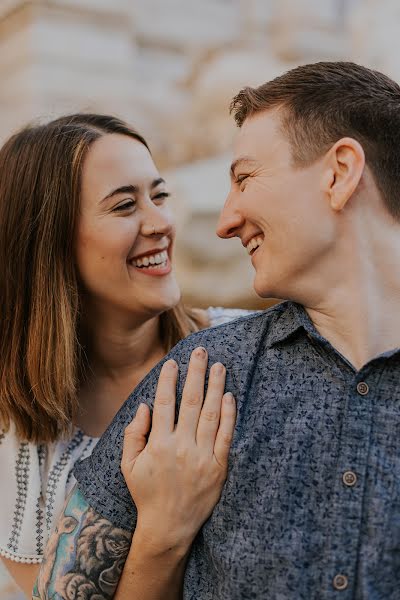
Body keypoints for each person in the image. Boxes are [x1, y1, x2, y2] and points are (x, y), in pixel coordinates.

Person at [35, 60, 400, 599]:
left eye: (245, 177)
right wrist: (162, 535)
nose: (224, 221)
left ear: (340, 171)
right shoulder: (199, 381)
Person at [0, 113, 246, 597]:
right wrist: (164, 529)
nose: (160, 223)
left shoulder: (247, 346)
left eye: (159, 196)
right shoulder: (14, 437)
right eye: (124, 206)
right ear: (50, 242)